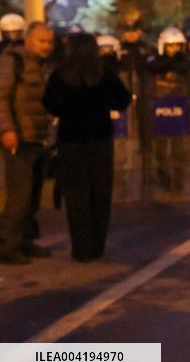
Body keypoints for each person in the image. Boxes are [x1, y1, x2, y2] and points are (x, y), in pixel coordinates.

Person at [42, 34, 131, 262]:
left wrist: (66, 110)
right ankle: (97, 245)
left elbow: (48, 103)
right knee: (100, 193)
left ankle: (81, 249)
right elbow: (122, 100)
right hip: (100, 138)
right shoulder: (103, 73)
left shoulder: (60, 75)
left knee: (76, 195)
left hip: (70, 139)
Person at [0, 21, 55, 264]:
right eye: (42, 41)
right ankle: (7, 246)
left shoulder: (43, 65)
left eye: (50, 42)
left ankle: (25, 240)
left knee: (33, 195)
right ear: (28, 41)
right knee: (19, 195)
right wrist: (8, 129)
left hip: (38, 137)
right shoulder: (13, 61)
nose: (47, 46)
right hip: (19, 138)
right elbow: (1, 97)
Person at [145, 26, 190, 195]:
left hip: (180, 109)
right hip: (160, 110)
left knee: (179, 149)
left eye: (177, 46)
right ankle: (165, 181)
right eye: (170, 46)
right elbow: (152, 67)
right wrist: (169, 65)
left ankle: (179, 181)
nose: (173, 50)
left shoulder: (186, 62)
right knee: (160, 149)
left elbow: (188, 68)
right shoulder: (154, 62)